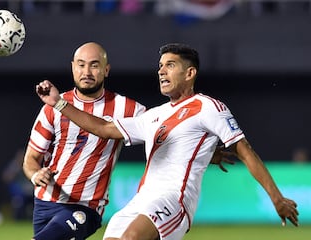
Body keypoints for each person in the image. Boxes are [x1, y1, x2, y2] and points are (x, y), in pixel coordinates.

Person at [35, 43, 299, 240]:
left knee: (131, 238)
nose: (161, 71)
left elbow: (245, 151)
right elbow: (103, 128)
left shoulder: (208, 107)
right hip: (141, 201)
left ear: (190, 73)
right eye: (160, 66)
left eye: (170, 65)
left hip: (174, 199)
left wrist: (277, 199)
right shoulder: (155, 115)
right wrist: (59, 103)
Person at [22, 42, 147, 240]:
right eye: (81, 65)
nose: (86, 71)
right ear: (73, 67)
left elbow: (163, 134)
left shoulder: (127, 109)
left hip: (86, 207)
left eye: (94, 65)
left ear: (106, 70)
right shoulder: (50, 107)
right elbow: (31, 158)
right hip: (45, 202)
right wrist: (35, 175)